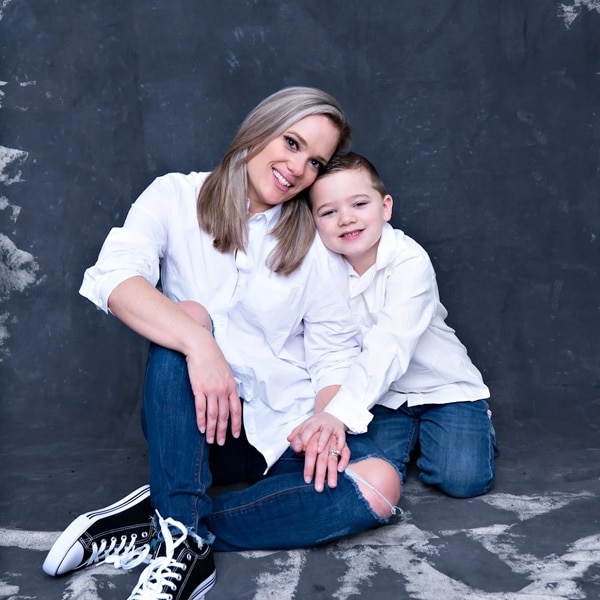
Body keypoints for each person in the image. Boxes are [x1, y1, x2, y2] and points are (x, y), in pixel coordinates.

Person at [42, 89, 401, 599]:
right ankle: (183, 542)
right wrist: (199, 342)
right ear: (261, 129)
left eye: (315, 161)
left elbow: (332, 352)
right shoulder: (173, 196)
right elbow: (113, 278)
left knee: (379, 485)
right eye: (292, 143)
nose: (297, 168)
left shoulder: (313, 242)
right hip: (194, 423)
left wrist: (326, 417)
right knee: (184, 317)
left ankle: (170, 519)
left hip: (281, 427)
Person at [290, 151, 497, 500]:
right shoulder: (324, 268)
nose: (346, 219)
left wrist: (338, 414)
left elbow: (390, 346)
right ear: (314, 221)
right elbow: (330, 346)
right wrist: (329, 412)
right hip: (382, 398)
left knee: (462, 479)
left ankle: (475, 427)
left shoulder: (410, 261)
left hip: (443, 389)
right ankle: (413, 436)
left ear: (385, 207)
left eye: (359, 204)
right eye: (328, 212)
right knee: (369, 474)